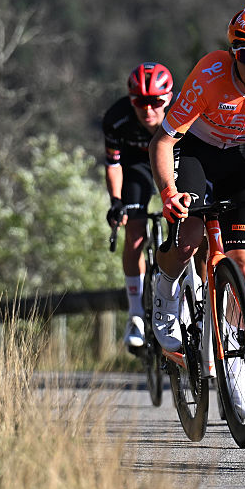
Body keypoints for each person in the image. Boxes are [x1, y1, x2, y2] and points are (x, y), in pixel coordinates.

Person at [148, 6, 245, 418]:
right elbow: (164, 141)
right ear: (233, 52)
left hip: (241, 152)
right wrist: (168, 192)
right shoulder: (209, 76)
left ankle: (235, 354)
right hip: (196, 151)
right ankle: (165, 293)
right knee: (188, 240)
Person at [102, 61, 175, 350]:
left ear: (169, 98)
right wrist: (116, 202)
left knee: (188, 225)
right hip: (137, 169)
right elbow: (114, 164)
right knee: (134, 235)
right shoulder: (116, 119)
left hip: (172, 162)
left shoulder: (184, 111)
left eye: (156, 102)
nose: (148, 110)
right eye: (140, 102)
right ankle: (136, 315)